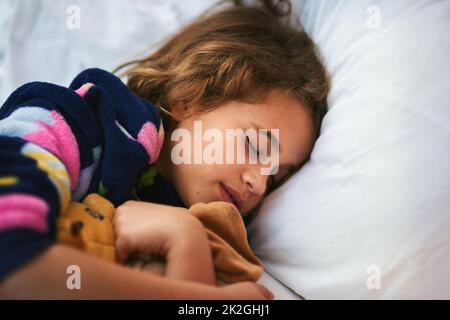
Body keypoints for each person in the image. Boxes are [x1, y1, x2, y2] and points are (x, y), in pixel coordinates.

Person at [0, 1, 329, 299]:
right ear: (190, 95)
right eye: (256, 147)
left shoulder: (215, 238)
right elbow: (13, 261)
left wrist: (186, 242)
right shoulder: (73, 121)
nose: (259, 184)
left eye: (276, 177)